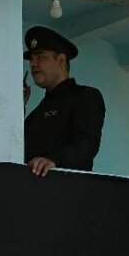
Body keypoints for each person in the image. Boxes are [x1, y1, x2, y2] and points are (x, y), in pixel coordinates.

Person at [23, 26, 105, 175]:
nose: (33, 63)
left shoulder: (85, 96)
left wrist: (54, 160)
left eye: (40, 56)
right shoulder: (37, 113)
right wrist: (18, 107)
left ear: (61, 60)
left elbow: (87, 143)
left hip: (69, 192)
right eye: (31, 58)